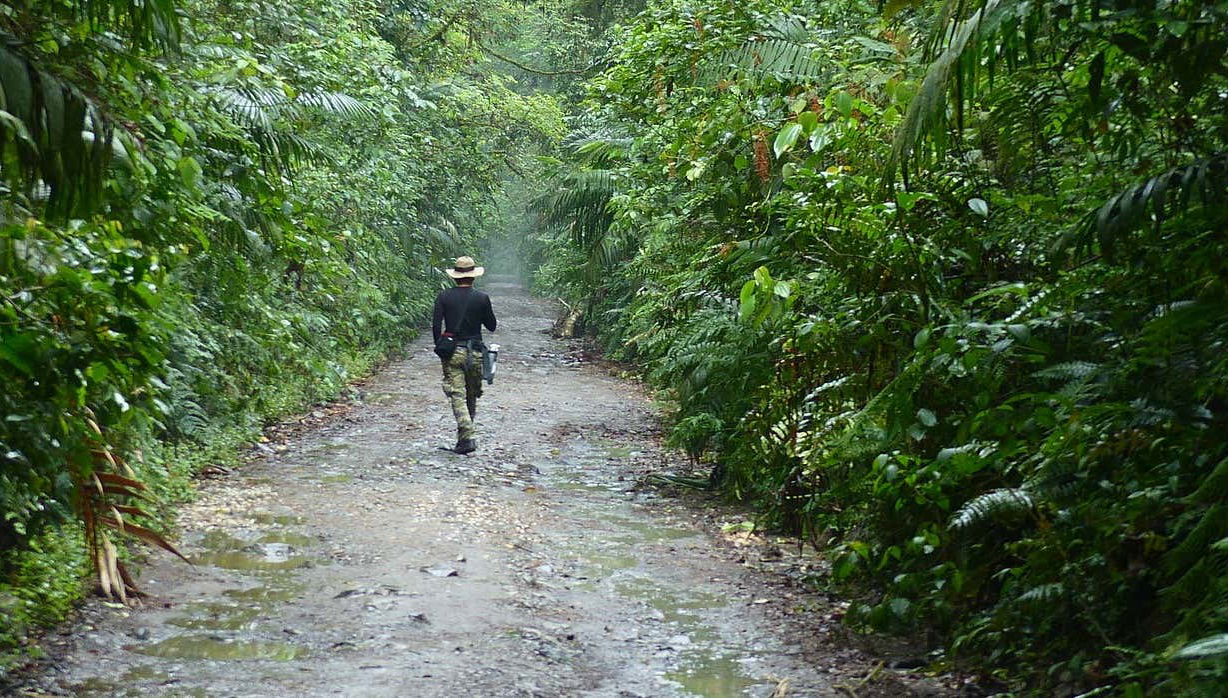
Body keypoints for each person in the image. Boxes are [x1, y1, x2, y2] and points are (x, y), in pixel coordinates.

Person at [432, 256, 497, 454]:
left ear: (455, 277)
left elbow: (436, 326)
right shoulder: (481, 298)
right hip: (475, 352)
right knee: (471, 394)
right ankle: (464, 439)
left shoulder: (444, 297)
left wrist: (440, 347)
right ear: (473, 276)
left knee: (456, 394)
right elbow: (492, 326)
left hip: (452, 352)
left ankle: (466, 435)